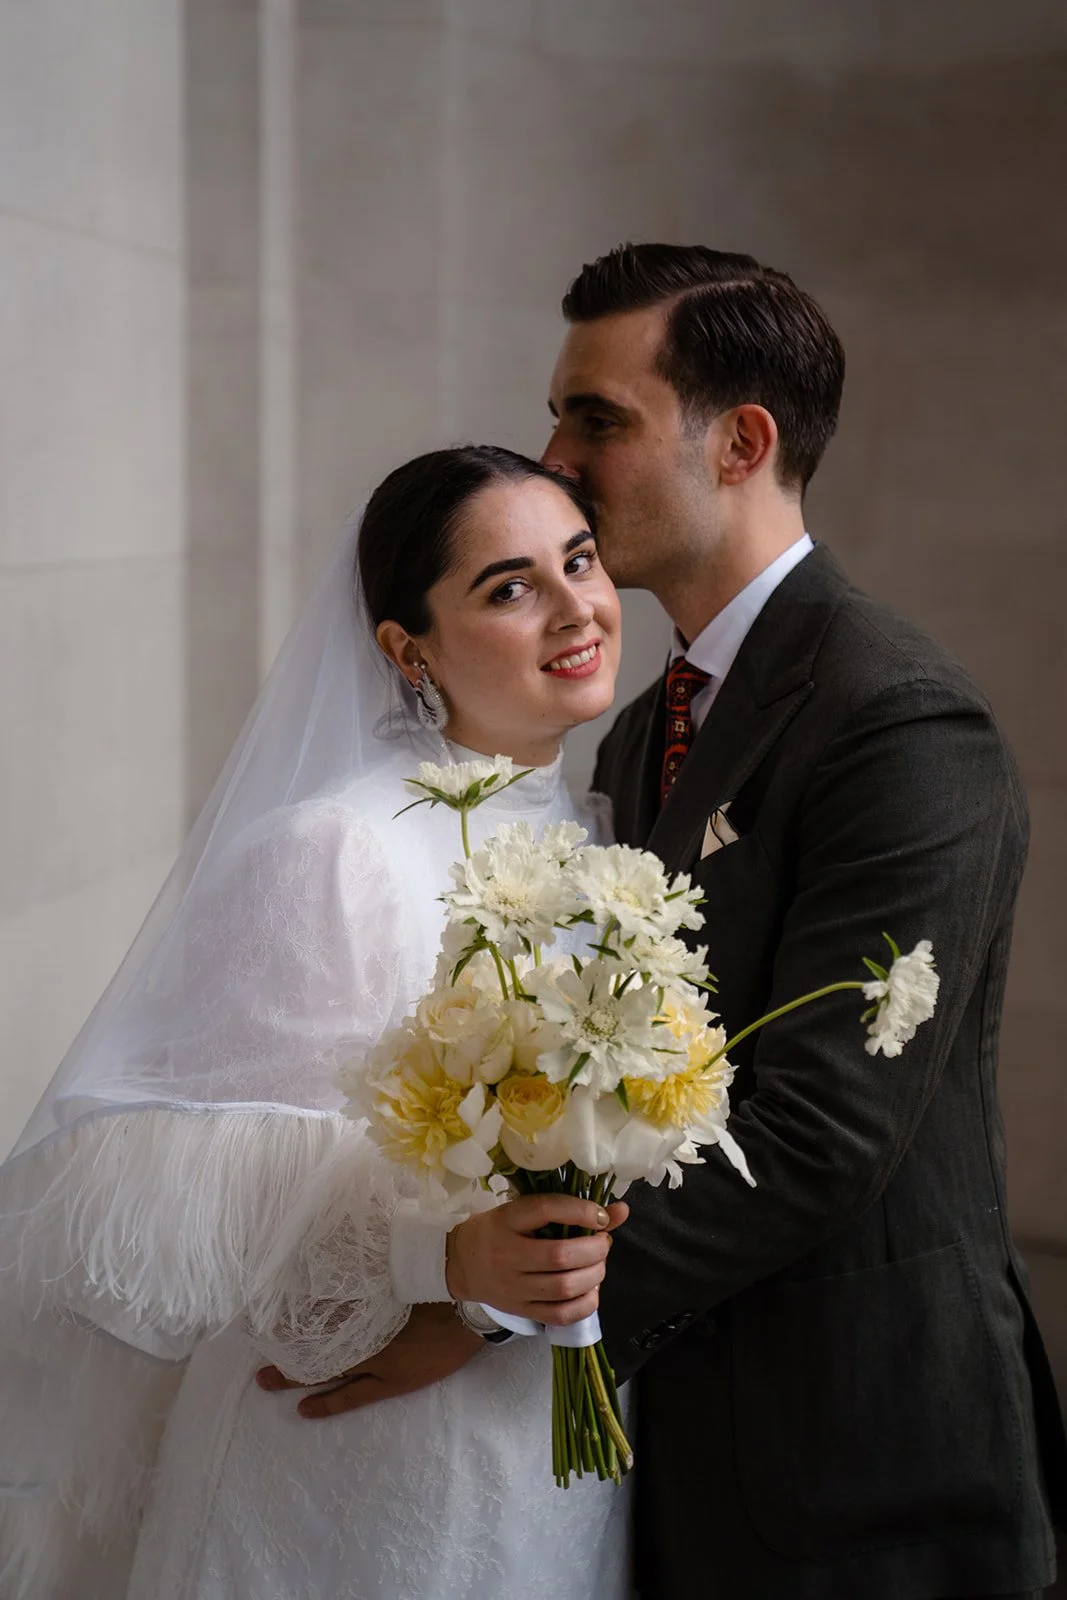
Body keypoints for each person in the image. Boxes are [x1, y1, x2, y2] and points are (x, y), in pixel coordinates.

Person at [273, 246, 1066, 1600]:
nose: (554, 456)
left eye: (596, 417)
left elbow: (820, 1135)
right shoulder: (640, 726)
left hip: (861, 1457)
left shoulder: (896, 718)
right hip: (675, 1447)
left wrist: (487, 1309)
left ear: (739, 441)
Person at [0, 445, 633, 1600]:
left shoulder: (595, 837)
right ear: (407, 649)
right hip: (341, 1468)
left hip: (541, 1453)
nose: (573, 608)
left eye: (577, 561)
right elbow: (184, 1202)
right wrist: (438, 1256)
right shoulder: (337, 852)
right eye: (507, 587)